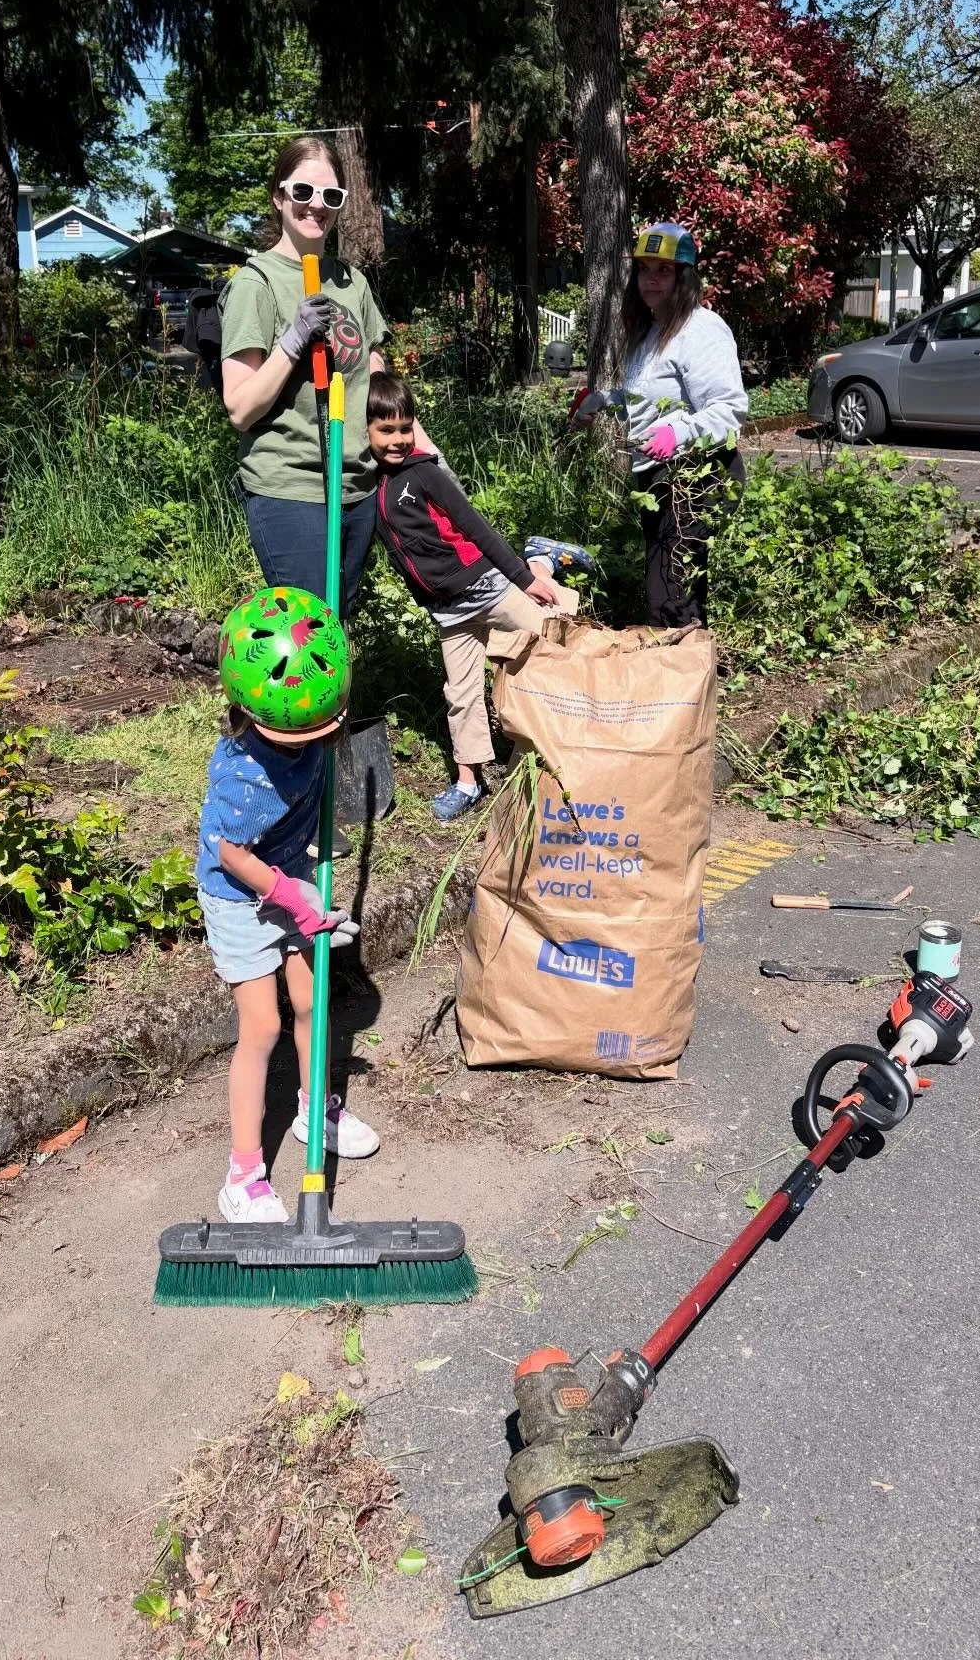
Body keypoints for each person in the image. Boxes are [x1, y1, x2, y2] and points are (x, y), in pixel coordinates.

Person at [198, 586, 377, 1226]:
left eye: (319, 732)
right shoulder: (245, 776)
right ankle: (242, 1173)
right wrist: (289, 894)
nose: (311, 744)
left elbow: (313, 785)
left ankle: (313, 1108)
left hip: (292, 876)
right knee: (264, 1027)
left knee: (312, 1001)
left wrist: (311, 858)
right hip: (241, 897)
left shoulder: (311, 728)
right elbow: (230, 855)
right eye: (297, 736)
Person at [219, 134, 434, 615]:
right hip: (291, 488)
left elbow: (376, 380)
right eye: (302, 192)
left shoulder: (350, 281)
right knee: (310, 632)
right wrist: (292, 342)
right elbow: (240, 407)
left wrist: (426, 451)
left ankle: (344, 697)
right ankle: (264, 694)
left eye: (331, 196)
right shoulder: (257, 283)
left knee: (339, 623)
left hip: (357, 484)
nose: (316, 206)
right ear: (279, 196)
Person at [368, 370, 569, 821]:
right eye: (386, 430)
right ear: (366, 431)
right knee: (460, 693)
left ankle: (541, 564)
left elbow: (476, 527)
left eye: (405, 428)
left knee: (559, 637)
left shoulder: (425, 475)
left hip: (488, 588)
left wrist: (521, 578)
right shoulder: (369, 487)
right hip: (448, 612)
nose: (398, 439)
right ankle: (468, 781)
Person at [574, 223, 748, 627]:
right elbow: (644, 399)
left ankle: (683, 680)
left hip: (697, 475)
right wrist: (602, 401)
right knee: (669, 588)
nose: (650, 278)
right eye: (644, 268)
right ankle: (685, 677)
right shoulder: (651, 329)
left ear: (684, 276)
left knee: (671, 594)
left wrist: (678, 433)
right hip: (657, 477)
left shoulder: (702, 330)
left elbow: (729, 409)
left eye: (664, 270)